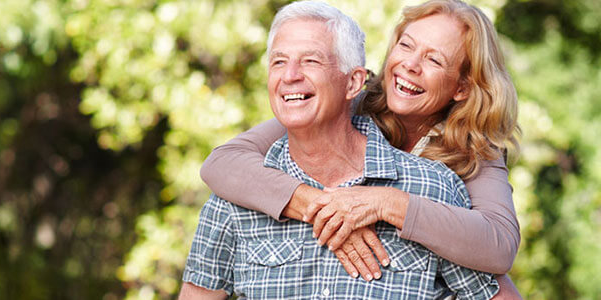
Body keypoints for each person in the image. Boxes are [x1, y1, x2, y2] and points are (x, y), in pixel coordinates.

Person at [200, 0, 522, 297]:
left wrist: (386, 204)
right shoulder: (348, 101)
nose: (410, 64)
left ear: (462, 87)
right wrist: (323, 209)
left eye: (434, 59)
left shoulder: (474, 152)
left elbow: (498, 247)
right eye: (405, 45)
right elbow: (222, 163)